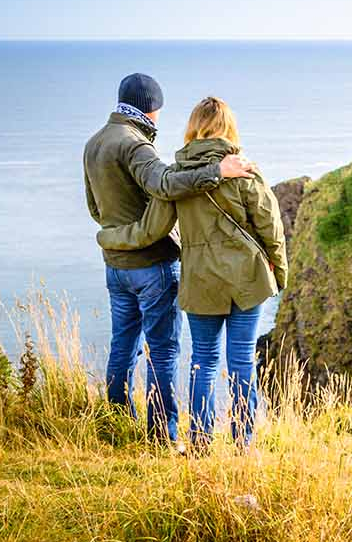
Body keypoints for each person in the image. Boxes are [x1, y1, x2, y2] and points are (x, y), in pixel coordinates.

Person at [98, 97, 287, 452]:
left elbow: (152, 229)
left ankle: (200, 443)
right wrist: (280, 274)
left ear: (192, 128)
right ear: (228, 127)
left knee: (203, 360)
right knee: (242, 358)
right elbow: (270, 226)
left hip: (200, 280)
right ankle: (243, 443)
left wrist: (110, 237)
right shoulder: (245, 169)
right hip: (247, 277)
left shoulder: (175, 176)